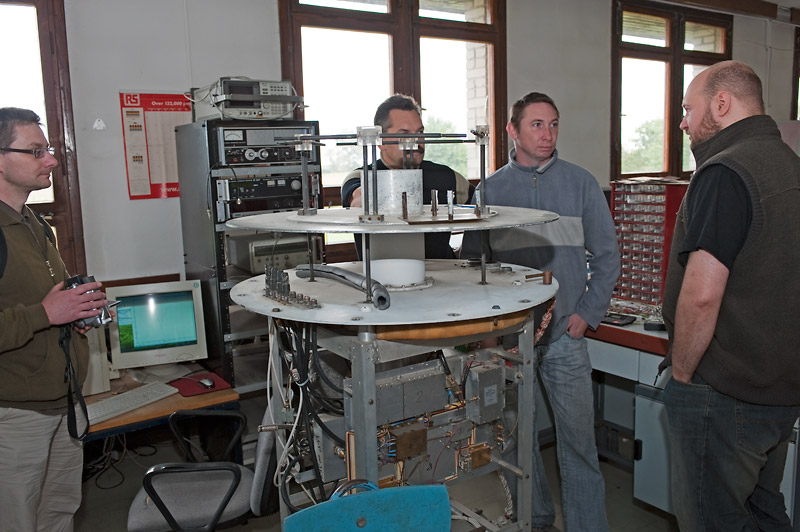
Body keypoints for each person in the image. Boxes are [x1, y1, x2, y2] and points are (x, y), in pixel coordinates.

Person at [464, 92, 619, 531]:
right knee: (517, 442)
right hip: (512, 341)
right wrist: (489, 335)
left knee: (579, 445)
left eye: (553, 124)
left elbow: (608, 257)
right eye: (536, 124)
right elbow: (473, 267)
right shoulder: (490, 191)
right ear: (512, 130)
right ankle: (536, 521)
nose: (548, 134)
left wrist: (586, 314)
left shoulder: (581, 184)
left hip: (566, 337)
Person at [660, 60, 800, 531]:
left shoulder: (726, 172)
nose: (683, 123)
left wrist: (682, 377)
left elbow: (702, 295)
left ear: (721, 104)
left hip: (724, 393)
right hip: (779, 389)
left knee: (712, 520)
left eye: (688, 109)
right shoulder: (790, 166)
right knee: (763, 510)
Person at [0, 107, 109, 531]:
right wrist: (47, 313)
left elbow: (48, 301)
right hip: (16, 414)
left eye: (48, 149)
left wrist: (74, 313)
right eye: (36, 151)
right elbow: (41, 310)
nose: (52, 160)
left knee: (59, 512)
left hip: (64, 403)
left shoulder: (35, 223)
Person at [340, 94, 474, 259]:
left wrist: (467, 253)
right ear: (381, 141)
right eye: (404, 134)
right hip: (382, 274)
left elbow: (485, 208)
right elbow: (358, 199)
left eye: (420, 132)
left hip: (442, 273)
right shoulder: (360, 177)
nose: (416, 141)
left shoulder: (446, 177)